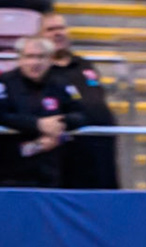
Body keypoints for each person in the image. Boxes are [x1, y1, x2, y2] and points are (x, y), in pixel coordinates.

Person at [39, 13, 117, 189]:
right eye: (50, 30)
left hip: (102, 148)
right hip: (70, 154)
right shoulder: (42, 72)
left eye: (61, 28)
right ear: (40, 37)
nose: (57, 33)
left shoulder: (83, 64)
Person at [0, 37, 87, 188]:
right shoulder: (5, 82)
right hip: (10, 170)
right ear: (20, 59)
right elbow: (2, 115)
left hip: (51, 171)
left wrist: (60, 125)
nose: (35, 62)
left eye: (41, 57)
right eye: (30, 57)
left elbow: (81, 115)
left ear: (50, 60)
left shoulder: (61, 83)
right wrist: (38, 125)